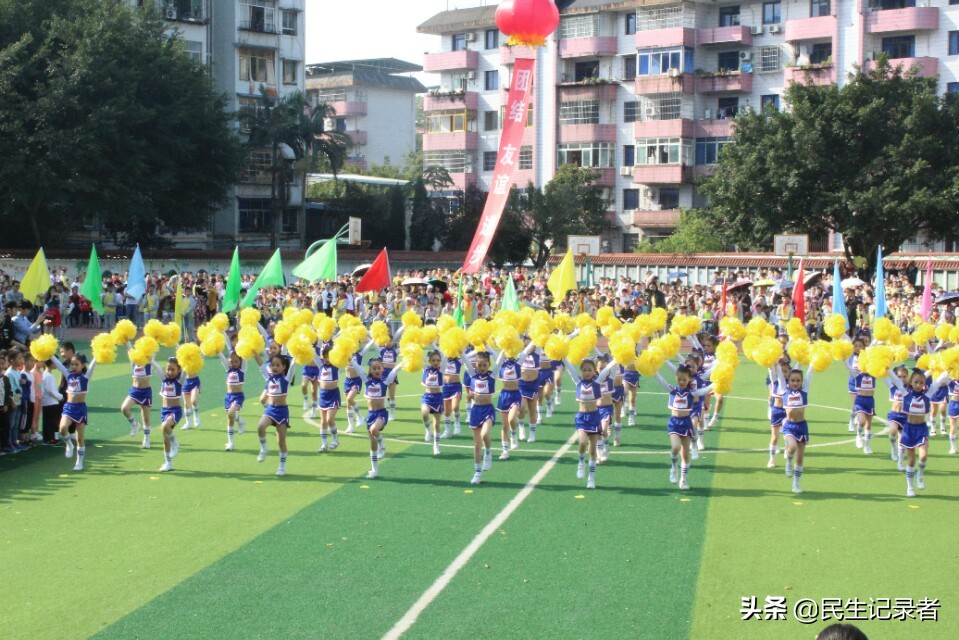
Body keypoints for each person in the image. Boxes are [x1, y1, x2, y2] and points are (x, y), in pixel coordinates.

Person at [888, 367, 949, 497]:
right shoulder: (905, 393)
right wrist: (887, 368)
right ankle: (910, 487)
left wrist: (948, 370)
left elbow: (938, 381)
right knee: (911, 461)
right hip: (909, 429)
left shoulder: (927, 394)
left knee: (923, 456)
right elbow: (895, 380)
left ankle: (920, 474)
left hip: (921, 429)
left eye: (921, 382)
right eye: (916, 382)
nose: (919, 385)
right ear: (911, 383)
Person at [653, 365, 715, 490]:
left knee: (686, 455)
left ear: (689, 380)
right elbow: (662, 381)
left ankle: (683, 480)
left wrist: (718, 382)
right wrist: (654, 371)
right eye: (679, 379)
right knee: (675, 447)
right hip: (674, 423)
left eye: (684, 380)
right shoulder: (673, 390)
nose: (681, 382)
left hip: (686, 423)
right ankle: (674, 468)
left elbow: (705, 390)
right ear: (676, 377)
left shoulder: (691, 393)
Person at [564, 356, 619, 489]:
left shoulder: (598, 382)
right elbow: (570, 369)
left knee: (593, 450)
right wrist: (563, 357)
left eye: (589, 370)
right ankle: (581, 462)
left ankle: (591, 478)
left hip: (595, 417)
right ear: (581, 371)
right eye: (584, 370)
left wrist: (618, 357)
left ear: (594, 371)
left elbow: (606, 370)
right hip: (582, 418)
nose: (587, 372)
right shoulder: (578, 382)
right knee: (582, 443)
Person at [772, 362, 815, 494]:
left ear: (802, 382)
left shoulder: (804, 391)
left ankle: (796, 484)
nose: (795, 383)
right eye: (792, 380)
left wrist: (814, 360)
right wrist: (774, 362)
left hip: (802, 426)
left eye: (798, 381)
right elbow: (779, 375)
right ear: (788, 381)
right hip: (789, 426)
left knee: (800, 458)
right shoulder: (785, 390)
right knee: (792, 447)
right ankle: (789, 460)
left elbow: (810, 373)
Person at [51, 352, 96, 471]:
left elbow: (92, 366)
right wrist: (50, 355)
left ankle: (79, 462)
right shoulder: (69, 376)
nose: (74, 367)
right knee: (62, 428)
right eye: (72, 364)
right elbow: (60, 366)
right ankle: (69, 445)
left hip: (80, 409)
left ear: (82, 366)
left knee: (79, 438)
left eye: (76, 364)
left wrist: (97, 355)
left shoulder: (85, 377)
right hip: (69, 407)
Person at [257, 353, 296, 476]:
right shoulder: (269, 378)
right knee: (260, 426)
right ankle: (264, 448)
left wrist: (297, 354)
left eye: (278, 365)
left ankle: (282, 466)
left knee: (281, 441)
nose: (274, 367)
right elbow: (261, 365)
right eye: (273, 365)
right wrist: (254, 353)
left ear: (284, 367)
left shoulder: (286, 379)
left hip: (282, 411)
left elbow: (294, 365)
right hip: (270, 409)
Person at [362, 357, 402, 479]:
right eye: (374, 368)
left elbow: (394, 371)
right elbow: (358, 370)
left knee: (374, 430)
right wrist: (350, 360)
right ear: (370, 370)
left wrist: (404, 361)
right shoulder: (367, 381)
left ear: (382, 369)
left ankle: (382, 444)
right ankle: (374, 470)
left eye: (379, 368)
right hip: (370, 414)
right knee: (372, 445)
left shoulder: (384, 382)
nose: (376, 370)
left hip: (381, 413)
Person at [462, 350, 496, 485]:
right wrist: (459, 350)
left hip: (488, 409)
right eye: (479, 365)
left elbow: (498, 361)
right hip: (476, 410)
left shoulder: (492, 376)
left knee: (485, 433)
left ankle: (488, 452)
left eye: (484, 365)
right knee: (476, 445)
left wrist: (505, 348)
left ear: (488, 365)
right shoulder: (472, 374)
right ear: (475, 365)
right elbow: (464, 360)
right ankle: (477, 473)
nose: (481, 368)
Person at [155, 356, 185, 472]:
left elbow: (186, 370)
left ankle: (175, 442)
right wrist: (150, 358)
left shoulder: (179, 381)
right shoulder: (164, 379)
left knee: (165, 427)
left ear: (178, 370)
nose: (169, 372)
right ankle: (168, 462)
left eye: (173, 370)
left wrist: (187, 360)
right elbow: (157, 367)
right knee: (164, 437)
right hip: (164, 411)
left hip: (175, 411)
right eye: (168, 369)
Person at [121, 343, 154, 448]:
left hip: (145, 391)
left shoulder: (148, 361)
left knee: (145, 417)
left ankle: (146, 438)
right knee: (124, 408)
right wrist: (126, 339)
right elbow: (129, 349)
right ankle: (134, 424)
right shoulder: (133, 362)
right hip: (134, 391)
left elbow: (152, 350)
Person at [219, 336, 248, 451]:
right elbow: (221, 357)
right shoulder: (228, 369)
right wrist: (218, 350)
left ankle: (239, 421)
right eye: (232, 361)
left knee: (231, 413)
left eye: (236, 361)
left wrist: (243, 344)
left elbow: (244, 356)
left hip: (238, 396)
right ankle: (231, 442)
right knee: (230, 418)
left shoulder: (242, 370)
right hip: (228, 396)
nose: (234, 363)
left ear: (240, 362)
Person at [844, 356, 876, 455]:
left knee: (868, 425)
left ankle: (867, 446)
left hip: (870, 401)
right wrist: (843, 359)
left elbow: (884, 370)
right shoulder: (857, 375)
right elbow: (849, 368)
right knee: (861, 421)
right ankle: (858, 435)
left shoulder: (874, 375)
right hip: (860, 401)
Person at [316, 345, 341, 453]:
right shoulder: (320, 365)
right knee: (323, 422)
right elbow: (312, 353)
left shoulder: (336, 366)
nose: (327, 359)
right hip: (322, 395)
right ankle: (324, 444)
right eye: (325, 357)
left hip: (333, 395)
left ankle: (335, 440)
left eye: (329, 357)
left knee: (329, 419)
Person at [420, 349, 445, 455]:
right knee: (424, 413)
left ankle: (436, 445)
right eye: (433, 360)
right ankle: (428, 429)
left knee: (437, 424)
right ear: (429, 361)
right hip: (427, 397)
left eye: (438, 360)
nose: (436, 362)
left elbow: (446, 356)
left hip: (438, 398)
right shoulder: (425, 369)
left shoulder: (441, 370)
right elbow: (420, 358)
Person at [41, 358, 63, 445]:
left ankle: (47, 438)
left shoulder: (45, 375)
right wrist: (60, 397)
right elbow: (51, 390)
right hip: (51, 402)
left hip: (47, 402)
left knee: (47, 421)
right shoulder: (48, 376)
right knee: (52, 421)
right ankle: (51, 438)